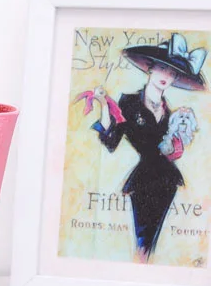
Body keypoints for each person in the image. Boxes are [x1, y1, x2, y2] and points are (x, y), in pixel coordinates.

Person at [87, 33, 207, 262]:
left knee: (153, 237)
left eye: (172, 73)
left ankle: (146, 266)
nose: (166, 76)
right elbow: (111, 140)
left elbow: (172, 151)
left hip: (167, 181)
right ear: (150, 69)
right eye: (162, 69)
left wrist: (178, 145)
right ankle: (141, 266)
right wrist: (104, 106)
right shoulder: (129, 103)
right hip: (143, 181)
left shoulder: (171, 113)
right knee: (142, 236)